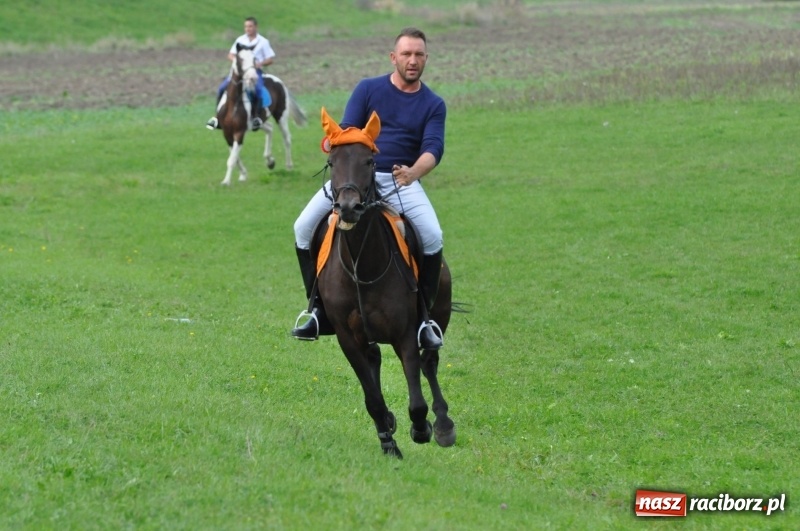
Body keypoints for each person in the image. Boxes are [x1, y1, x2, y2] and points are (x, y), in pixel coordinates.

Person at [292, 27, 447, 350]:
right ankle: (317, 309)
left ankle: (424, 320)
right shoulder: (367, 89)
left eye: (419, 54)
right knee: (302, 227)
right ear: (394, 57)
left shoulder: (434, 104)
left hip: (402, 180)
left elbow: (433, 148)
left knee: (432, 235)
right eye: (406, 54)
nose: (412, 60)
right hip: (356, 178)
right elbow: (349, 133)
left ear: (426, 59)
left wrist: (413, 172)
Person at [206, 17, 275, 131]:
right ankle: (217, 118)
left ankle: (256, 118)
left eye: (250, 26)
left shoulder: (263, 42)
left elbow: (270, 59)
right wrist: (237, 61)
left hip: (254, 72)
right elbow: (230, 54)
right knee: (221, 88)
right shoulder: (240, 40)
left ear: (256, 27)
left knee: (258, 90)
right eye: (246, 26)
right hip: (238, 73)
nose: (248, 29)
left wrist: (259, 63)